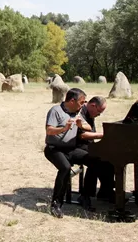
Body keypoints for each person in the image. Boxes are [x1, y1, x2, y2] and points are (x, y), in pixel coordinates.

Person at [43, 88, 92, 218]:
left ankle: (85, 196)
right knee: (65, 168)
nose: (83, 105)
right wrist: (64, 128)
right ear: (72, 101)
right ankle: (56, 204)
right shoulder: (55, 111)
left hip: (70, 149)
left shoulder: (77, 112)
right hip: (54, 149)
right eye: (82, 102)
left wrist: (81, 124)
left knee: (93, 160)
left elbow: (89, 127)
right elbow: (49, 130)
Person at [75, 96, 115, 201]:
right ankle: (85, 195)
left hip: (87, 145)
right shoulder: (80, 113)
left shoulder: (90, 113)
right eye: (99, 112)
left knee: (111, 158)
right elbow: (81, 135)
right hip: (76, 146)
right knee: (96, 161)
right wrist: (103, 135)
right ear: (93, 105)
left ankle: (106, 191)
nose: (99, 115)